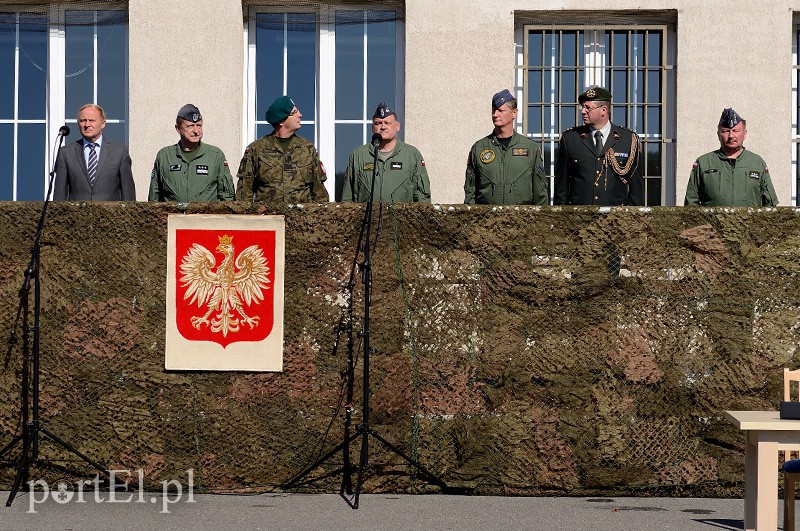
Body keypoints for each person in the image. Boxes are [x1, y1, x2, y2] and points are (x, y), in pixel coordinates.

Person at [554, 86, 644, 206]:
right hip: (579, 217)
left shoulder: (628, 139)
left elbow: (636, 189)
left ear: (603, 110)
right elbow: (561, 187)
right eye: (582, 107)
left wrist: (632, 221)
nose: (583, 111)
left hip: (615, 218)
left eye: (588, 108)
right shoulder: (570, 138)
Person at [236, 95, 329, 203]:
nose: (300, 115)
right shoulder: (256, 149)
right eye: (294, 113)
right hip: (268, 217)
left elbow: (320, 194)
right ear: (281, 120)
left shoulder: (307, 148)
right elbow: (244, 196)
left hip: (301, 218)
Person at [464, 89, 548, 205]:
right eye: (493, 110)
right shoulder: (479, 148)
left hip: (521, 219)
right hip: (487, 220)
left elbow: (540, 192)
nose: (495, 114)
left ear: (514, 113)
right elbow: (470, 191)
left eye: (500, 110)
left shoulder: (530, 148)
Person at [684, 108, 778, 207]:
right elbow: (691, 204)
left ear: (744, 134)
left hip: (749, 222)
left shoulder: (757, 163)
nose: (731, 136)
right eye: (726, 131)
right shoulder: (704, 163)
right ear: (718, 134)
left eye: (735, 131)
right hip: (712, 222)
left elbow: (770, 204)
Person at [342, 103, 430, 203]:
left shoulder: (412, 155)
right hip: (367, 218)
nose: (383, 127)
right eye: (378, 123)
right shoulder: (359, 155)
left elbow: (423, 198)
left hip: (400, 218)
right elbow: (347, 198)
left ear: (397, 126)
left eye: (387, 123)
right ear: (372, 127)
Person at [148, 104, 235, 202]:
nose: (196, 131)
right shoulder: (164, 156)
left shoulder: (215, 156)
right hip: (173, 216)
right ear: (178, 129)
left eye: (199, 125)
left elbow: (227, 197)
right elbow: (154, 196)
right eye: (190, 126)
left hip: (205, 217)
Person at [53, 103, 135, 201]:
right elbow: (59, 197)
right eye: (83, 120)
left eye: (91, 120)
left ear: (103, 123)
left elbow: (129, 195)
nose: (87, 125)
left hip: (111, 215)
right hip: (77, 215)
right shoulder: (66, 153)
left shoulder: (119, 152)